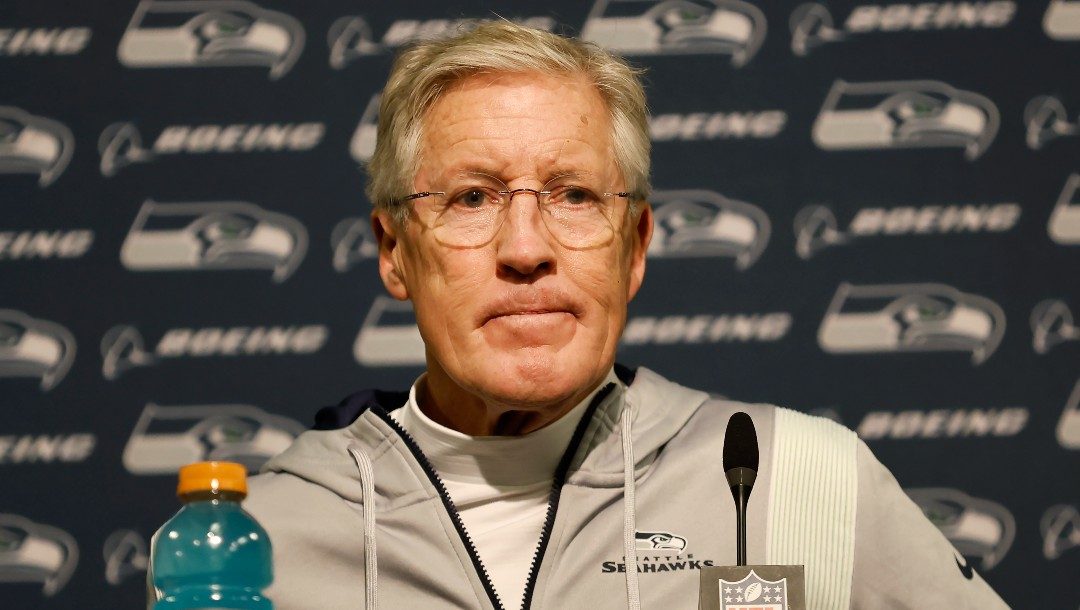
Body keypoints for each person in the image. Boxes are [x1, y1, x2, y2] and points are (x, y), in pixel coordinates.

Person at [150, 21, 1009, 610]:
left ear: (634, 246)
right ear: (393, 251)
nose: (526, 247)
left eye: (573, 195)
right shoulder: (254, 542)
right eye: (472, 197)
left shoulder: (807, 482)